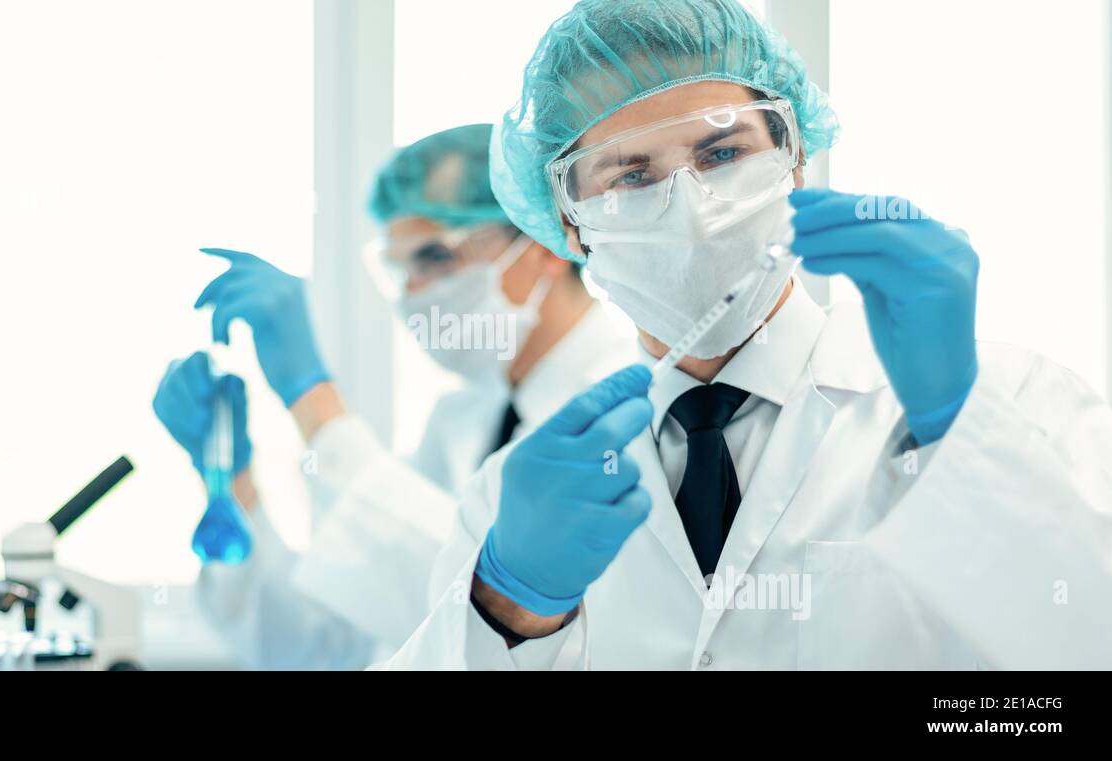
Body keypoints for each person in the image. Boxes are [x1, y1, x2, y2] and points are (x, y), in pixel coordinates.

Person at [385, 0, 1112, 669]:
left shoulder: (1012, 405)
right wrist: (508, 609)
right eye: (630, 175)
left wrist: (958, 437)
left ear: (793, 158)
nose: (691, 209)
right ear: (569, 219)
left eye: (722, 153)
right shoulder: (517, 499)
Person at [152, 124, 633, 667]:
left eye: (435, 256)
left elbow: (488, 612)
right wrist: (231, 485)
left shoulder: (625, 412)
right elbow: (331, 645)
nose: (413, 293)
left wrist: (314, 402)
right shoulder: (461, 420)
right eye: (400, 268)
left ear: (544, 238)